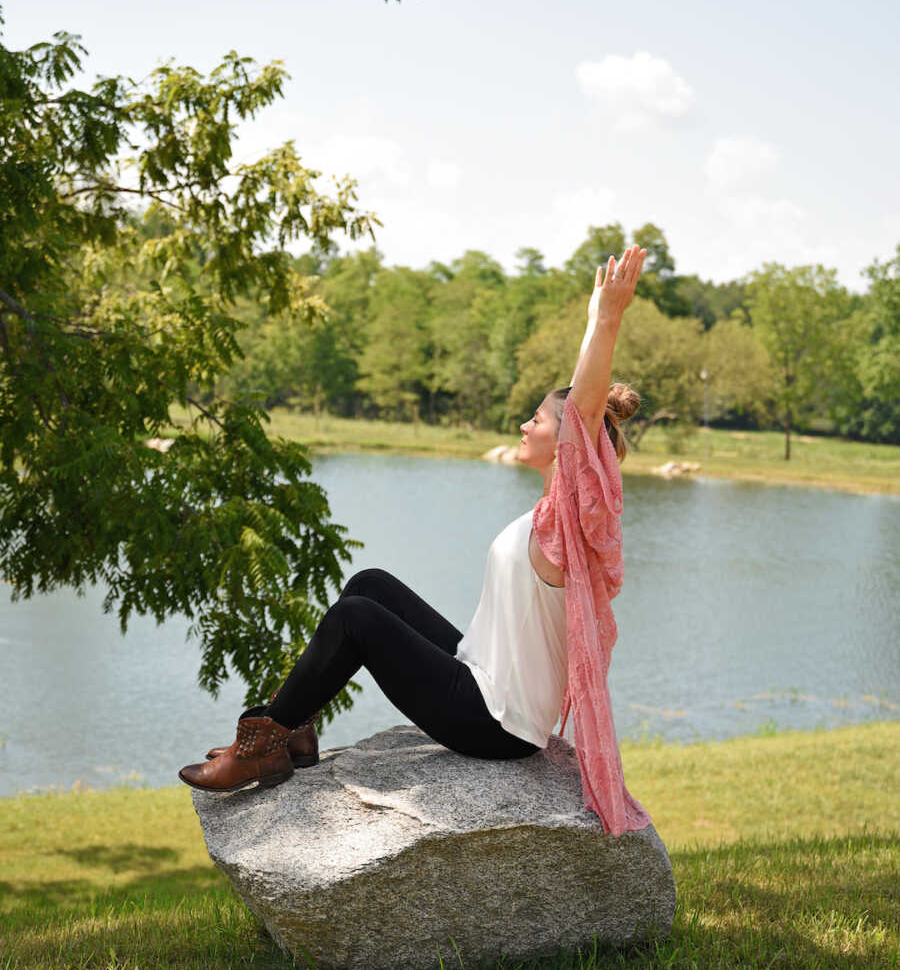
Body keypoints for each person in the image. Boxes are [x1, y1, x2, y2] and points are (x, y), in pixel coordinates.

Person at [179, 245, 650, 835]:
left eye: (539, 419)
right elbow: (575, 421)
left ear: (568, 444)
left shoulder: (566, 523)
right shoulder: (546, 517)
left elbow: (582, 413)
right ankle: (291, 728)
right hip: (478, 678)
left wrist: (603, 322)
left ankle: (261, 745)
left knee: (357, 619)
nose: (525, 425)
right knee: (370, 585)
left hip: (494, 724)